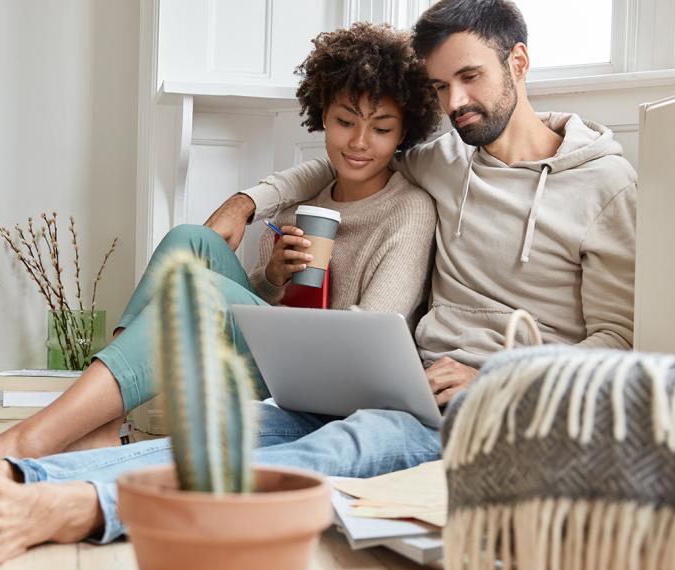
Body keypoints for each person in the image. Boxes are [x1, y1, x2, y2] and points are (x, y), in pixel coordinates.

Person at [0, 23, 445, 567]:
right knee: (192, 241)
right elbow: (254, 313)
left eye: (380, 128)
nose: (358, 142)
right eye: (345, 121)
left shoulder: (410, 211)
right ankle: (102, 425)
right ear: (321, 115)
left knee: (200, 288)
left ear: (403, 133)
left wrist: (270, 301)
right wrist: (274, 278)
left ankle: (25, 442)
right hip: (284, 373)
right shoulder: (305, 200)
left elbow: (371, 342)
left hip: (347, 388)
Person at [208, 0, 636, 406]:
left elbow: (617, 340)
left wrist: (494, 378)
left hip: (504, 397)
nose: (455, 103)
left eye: (470, 77)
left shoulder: (605, 184)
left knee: (313, 452)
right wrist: (246, 202)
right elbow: (352, 163)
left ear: (518, 63)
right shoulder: (446, 159)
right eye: (441, 87)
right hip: (415, 385)